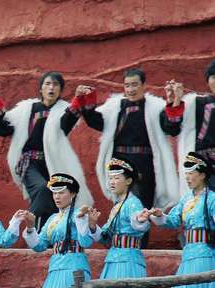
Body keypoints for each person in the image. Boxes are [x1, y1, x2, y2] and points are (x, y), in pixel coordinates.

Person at [74, 68, 179, 243]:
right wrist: (87, 100)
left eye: (134, 85)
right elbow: (96, 121)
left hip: (144, 166)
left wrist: (173, 102)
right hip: (119, 164)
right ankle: (119, 244)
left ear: (143, 85)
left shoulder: (155, 107)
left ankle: (139, 247)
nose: (130, 89)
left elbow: (172, 128)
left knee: (141, 206)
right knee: (120, 204)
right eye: (127, 85)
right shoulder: (115, 107)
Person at [0, 71, 93, 231]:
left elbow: (66, 125)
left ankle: (43, 237)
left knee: (55, 200)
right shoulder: (27, 109)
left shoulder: (64, 109)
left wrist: (78, 99)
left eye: (55, 84)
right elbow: (4, 129)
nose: (51, 87)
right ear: (41, 89)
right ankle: (27, 226)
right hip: (29, 163)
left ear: (60, 90)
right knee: (42, 189)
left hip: (54, 163)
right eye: (47, 84)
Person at [21, 173, 98, 288]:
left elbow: (85, 242)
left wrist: (83, 221)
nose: (57, 196)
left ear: (73, 194)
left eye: (61, 192)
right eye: (54, 193)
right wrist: (31, 227)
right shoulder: (52, 219)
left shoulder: (80, 214)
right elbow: (39, 246)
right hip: (55, 269)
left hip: (74, 267)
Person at [146, 153, 214, 288]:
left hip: (205, 255)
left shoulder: (212, 199)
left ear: (202, 175)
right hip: (188, 254)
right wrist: (159, 215)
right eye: (186, 174)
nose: (187, 178)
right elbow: (173, 221)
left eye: (191, 173)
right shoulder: (186, 198)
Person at [85, 158, 150, 288]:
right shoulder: (117, 205)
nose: (112, 182)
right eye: (110, 178)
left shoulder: (133, 203)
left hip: (127, 261)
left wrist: (140, 220)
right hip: (114, 260)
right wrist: (93, 225)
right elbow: (105, 237)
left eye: (116, 178)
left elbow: (139, 221)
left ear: (128, 181)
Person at [162, 60, 215, 193]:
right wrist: (175, 100)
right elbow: (172, 128)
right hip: (202, 168)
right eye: (214, 77)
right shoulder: (196, 103)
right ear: (208, 81)